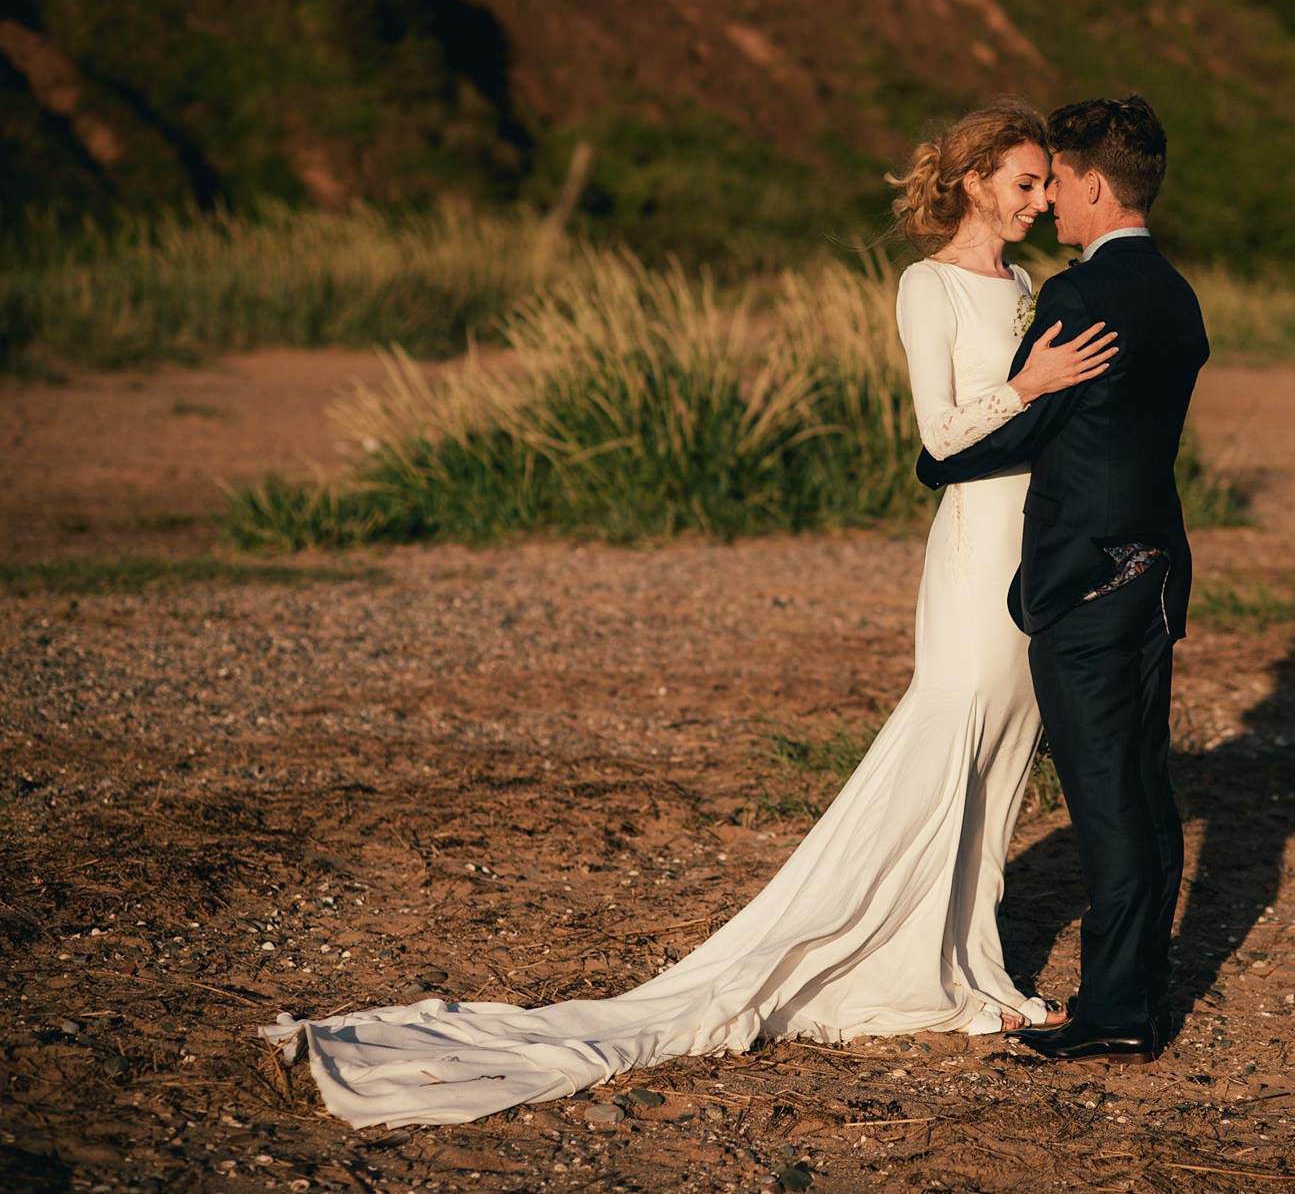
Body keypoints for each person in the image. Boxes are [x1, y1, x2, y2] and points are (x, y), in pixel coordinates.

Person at [259, 99, 1119, 1127]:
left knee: (1005, 749)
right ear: (975, 181)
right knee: (954, 725)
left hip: (1041, 538)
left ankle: (962, 962)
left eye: (1043, 185)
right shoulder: (924, 284)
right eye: (1022, 182)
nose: (1038, 199)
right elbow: (937, 432)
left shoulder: (1025, 284)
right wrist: (1030, 381)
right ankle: (884, 958)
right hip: (976, 541)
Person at [915, 94, 1207, 1065]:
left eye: (1057, 185)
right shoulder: (1173, 291)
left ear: (1090, 183)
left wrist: (951, 453)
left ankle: (1118, 1008)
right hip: (1154, 568)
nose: (1051, 206)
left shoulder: (1082, 298)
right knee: (1144, 789)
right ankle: (1140, 993)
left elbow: (1016, 434)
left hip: (1083, 578)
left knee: (1105, 797)